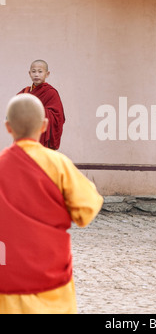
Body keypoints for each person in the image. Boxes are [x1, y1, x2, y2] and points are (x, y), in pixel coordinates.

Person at [0, 95, 104, 314]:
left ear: (8, 127)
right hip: (50, 277)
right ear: (45, 125)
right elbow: (87, 209)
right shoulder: (58, 164)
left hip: (5, 279)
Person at [18, 60, 65, 150]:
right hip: (27, 133)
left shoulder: (51, 92)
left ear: (47, 74)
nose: (36, 74)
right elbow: (15, 109)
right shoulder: (25, 92)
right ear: (29, 73)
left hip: (41, 133)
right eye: (34, 71)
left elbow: (57, 117)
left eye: (40, 71)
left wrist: (34, 110)